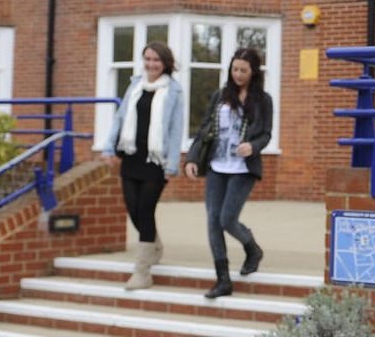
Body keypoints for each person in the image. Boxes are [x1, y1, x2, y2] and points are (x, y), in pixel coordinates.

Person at [184, 47, 273, 299]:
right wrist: (192, 158)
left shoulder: (263, 100)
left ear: (253, 72)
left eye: (244, 70)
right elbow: (204, 129)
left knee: (227, 219)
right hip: (216, 166)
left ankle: (252, 248)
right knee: (213, 221)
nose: (238, 74)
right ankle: (223, 280)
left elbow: (266, 133)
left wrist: (253, 146)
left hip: (243, 168)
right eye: (235, 69)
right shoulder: (220, 96)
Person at [102, 41, 184, 290]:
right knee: (133, 209)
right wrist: (108, 147)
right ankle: (154, 246)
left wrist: (172, 162)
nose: (151, 64)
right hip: (131, 155)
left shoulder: (174, 91)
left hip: (155, 161)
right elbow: (120, 118)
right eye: (147, 59)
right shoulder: (135, 85)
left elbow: (176, 128)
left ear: (166, 63)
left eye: (156, 60)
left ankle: (142, 271)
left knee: (145, 211)